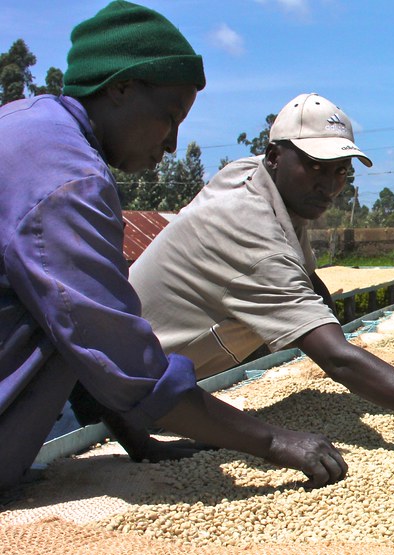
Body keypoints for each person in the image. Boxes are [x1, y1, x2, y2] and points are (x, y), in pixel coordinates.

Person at [0, 1, 347, 491]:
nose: (171, 145)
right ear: (120, 88)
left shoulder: (26, 127)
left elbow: (73, 333)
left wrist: (137, 441)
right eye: (169, 117)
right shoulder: (69, 181)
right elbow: (120, 357)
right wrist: (275, 442)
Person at [85, 92, 394, 458]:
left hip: (135, 388)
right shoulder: (248, 232)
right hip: (99, 402)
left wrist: (326, 307)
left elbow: (303, 272)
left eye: (340, 171)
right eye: (315, 167)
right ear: (275, 156)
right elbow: (336, 360)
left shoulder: (254, 177)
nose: (329, 184)